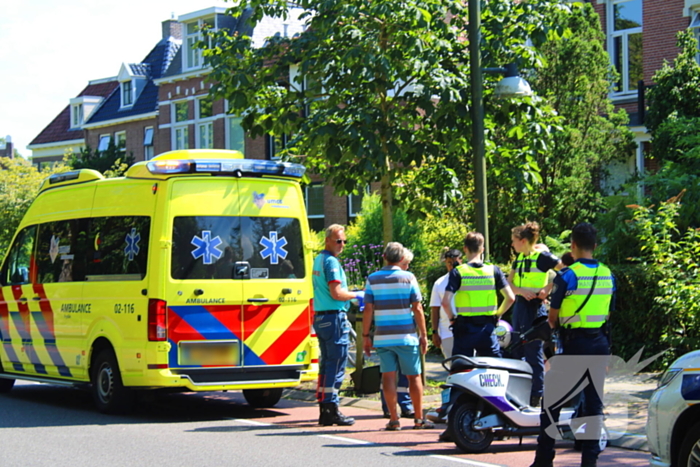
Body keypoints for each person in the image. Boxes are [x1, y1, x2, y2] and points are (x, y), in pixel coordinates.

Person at [530, 222, 615, 467]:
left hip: (573, 346)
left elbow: (553, 317)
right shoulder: (608, 273)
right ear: (595, 246)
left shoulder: (568, 275)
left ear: (573, 245)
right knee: (593, 405)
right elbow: (609, 314)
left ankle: (544, 459)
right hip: (599, 345)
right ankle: (589, 461)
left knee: (551, 404)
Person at [362, 242, 433, 430]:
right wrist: (424, 335)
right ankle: (419, 419)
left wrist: (365, 335)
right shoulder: (408, 278)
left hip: (383, 337)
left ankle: (394, 419)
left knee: (388, 377)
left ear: (384, 256)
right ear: (402, 259)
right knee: (414, 377)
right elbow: (417, 308)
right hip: (406, 336)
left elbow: (368, 309)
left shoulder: (372, 279)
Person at [312, 224, 364, 426]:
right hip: (334, 318)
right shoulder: (331, 262)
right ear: (327, 240)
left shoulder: (318, 259)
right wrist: (357, 295)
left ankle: (324, 407)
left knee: (326, 364)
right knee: (337, 364)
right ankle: (331, 408)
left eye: (344, 241)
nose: (342, 245)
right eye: (338, 241)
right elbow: (336, 293)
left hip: (321, 318)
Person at [507, 222, 563, 407]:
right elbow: (509, 284)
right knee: (516, 348)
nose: (512, 245)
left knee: (534, 352)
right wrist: (521, 291)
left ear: (523, 241)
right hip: (521, 307)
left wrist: (548, 288)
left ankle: (536, 396)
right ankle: (517, 393)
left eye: (514, 241)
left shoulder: (543, 257)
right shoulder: (519, 259)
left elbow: (566, 272)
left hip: (536, 308)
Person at [442, 232, 515, 358]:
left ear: (465, 249)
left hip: (464, 328)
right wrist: (497, 315)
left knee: (462, 367)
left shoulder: (458, 272)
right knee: (492, 367)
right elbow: (510, 298)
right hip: (487, 328)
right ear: (482, 249)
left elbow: (445, 302)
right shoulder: (494, 270)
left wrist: (452, 318)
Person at [380, 247, 415, 419]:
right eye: (406, 264)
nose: (407, 267)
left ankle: (396, 408)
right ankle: (397, 406)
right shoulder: (406, 279)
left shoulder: (376, 279)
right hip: (403, 334)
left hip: (386, 334)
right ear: (400, 261)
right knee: (400, 374)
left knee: (391, 373)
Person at [430, 248, 462, 359]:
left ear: (461, 261)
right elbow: (435, 309)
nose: (452, 266)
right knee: (452, 366)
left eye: (455, 263)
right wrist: (434, 332)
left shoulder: (468, 279)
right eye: (449, 263)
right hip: (446, 332)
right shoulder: (439, 283)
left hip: (467, 331)